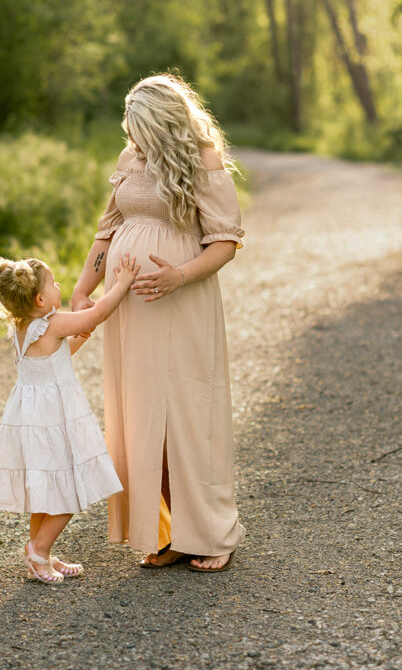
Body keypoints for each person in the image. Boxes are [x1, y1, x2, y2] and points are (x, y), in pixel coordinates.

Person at [72, 73, 245, 573]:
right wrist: (85, 288)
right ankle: (167, 531)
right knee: (143, 414)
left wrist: (178, 276)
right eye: (131, 130)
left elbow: (225, 243)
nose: (133, 139)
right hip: (129, 306)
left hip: (182, 300)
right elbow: (106, 234)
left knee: (189, 413)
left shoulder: (202, 160)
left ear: (163, 123)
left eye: (140, 128)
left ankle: (212, 534)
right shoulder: (130, 160)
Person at [0, 253, 139, 584]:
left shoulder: (22, 327)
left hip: (32, 417)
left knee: (45, 489)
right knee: (70, 489)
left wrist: (76, 342)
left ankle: (38, 551)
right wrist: (123, 283)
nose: (60, 287)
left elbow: (50, 360)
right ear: (41, 299)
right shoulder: (53, 322)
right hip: (53, 418)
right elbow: (96, 314)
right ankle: (40, 551)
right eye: (54, 284)